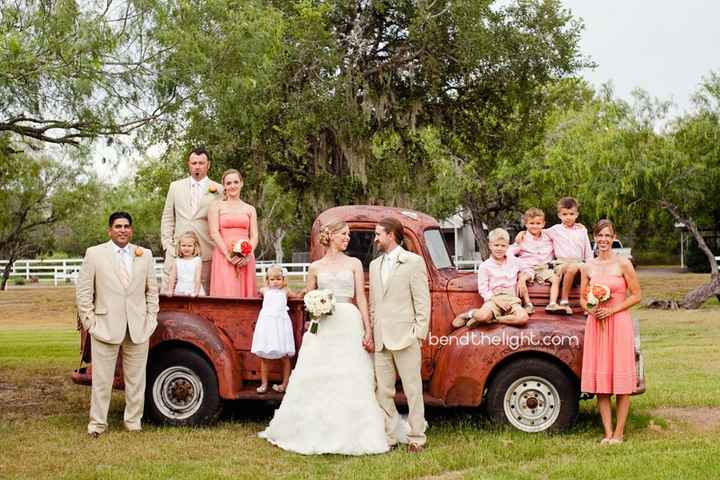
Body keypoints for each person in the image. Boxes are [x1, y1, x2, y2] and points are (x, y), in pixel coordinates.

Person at [259, 219, 390, 455]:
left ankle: (353, 430)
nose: (347, 238)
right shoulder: (316, 267)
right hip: (323, 324)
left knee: (350, 374)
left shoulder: (355, 264)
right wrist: (315, 308)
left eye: (349, 234)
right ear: (330, 237)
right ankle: (313, 427)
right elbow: (310, 296)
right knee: (319, 373)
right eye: (343, 234)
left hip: (349, 320)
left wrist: (368, 329)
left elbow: (360, 296)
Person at [75, 211, 159, 437]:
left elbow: (152, 290)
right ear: (110, 230)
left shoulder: (144, 255)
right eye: (118, 226)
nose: (123, 230)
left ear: (131, 230)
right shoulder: (94, 254)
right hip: (104, 326)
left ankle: (133, 422)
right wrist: (90, 322)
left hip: (138, 327)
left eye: (126, 226)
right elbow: (84, 292)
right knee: (102, 381)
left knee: (136, 380)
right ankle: (97, 425)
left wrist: (151, 319)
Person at [370, 217, 431, 453]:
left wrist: (419, 333)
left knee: (413, 389)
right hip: (381, 338)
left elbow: (422, 300)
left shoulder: (413, 262)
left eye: (378, 234)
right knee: (383, 390)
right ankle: (390, 435)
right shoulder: (375, 265)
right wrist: (374, 332)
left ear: (391, 235)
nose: (375, 239)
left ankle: (417, 437)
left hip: (406, 336)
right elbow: (376, 302)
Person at [580, 219, 641, 445]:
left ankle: (619, 433)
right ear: (594, 238)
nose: (604, 240)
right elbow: (582, 299)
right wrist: (592, 309)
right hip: (596, 326)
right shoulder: (588, 266)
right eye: (600, 235)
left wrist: (613, 309)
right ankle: (607, 433)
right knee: (602, 381)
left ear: (613, 237)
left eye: (608, 236)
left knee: (621, 380)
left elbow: (636, 295)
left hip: (619, 323)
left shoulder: (624, 264)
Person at [161, 147, 222, 293]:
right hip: (177, 251)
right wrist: (167, 245)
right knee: (168, 293)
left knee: (203, 295)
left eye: (201, 163)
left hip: (206, 252)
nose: (197, 166)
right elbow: (168, 217)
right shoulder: (175, 186)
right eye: (194, 163)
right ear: (188, 164)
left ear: (209, 164)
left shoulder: (219, 189)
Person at [518, 197, 593, 314]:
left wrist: (591, 266)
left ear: (577, 214)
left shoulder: (582, 230)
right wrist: (522, 232)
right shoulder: (555, 230)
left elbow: (588, 252)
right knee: (573, 267)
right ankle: (564, 301)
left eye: (571, 214)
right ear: (559, 215)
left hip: (579, 263)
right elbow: (537, 230)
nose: (568, 217)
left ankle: (585, 305)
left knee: (585, 268)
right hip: (561, 264)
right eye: (564, 214)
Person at [452, 228, 530, 329]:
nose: (499, 248)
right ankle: (469, 315)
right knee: (483, 315)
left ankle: (492, 320)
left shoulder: (514, 261)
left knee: (523, 318)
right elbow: (483, 290)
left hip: (512, 300)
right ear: (490, 246)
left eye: (503, 246)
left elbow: (529, 270)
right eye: (496, 245)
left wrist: (523, 279)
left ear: (507, 247)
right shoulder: (485, 266)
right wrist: (497, 301)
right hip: (493, 299)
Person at [208, 169, 258, 297]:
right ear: (224, 186)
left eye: (236, 182)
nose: (232, 186)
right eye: (228, 183)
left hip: (245, 258)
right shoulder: (216, 206)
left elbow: (254, 235)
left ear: (241, 183)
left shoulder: (250, 209)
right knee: (227, 293)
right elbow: (214, 232)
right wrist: (228, 255)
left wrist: (248, 254)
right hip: (224, 256)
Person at [251, 265, 299, 394]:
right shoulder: (264, 290)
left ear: (283, 279)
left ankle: (285, 383)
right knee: (264, 356)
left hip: (280, 325)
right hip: (267, 325)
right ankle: (264, 383)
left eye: (278, 279)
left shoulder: (285, 291)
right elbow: (255, 292)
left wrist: (304, 292)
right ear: (267, 280)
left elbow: (296, 296)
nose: (276, 282)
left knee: (284, 356)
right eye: (272, 279)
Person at [509, 208, 561, 314]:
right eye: (531, 223)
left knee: (556, 278)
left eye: (538, 223)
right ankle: (528, 304)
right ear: (526, 224)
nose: (535, 226)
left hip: (543, 267)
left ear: (543, 224)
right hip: (528, 267)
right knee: (522, 279)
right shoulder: (522, 239)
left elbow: (563, 230)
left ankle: (552, 303)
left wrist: (579, 227)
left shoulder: (548, 236)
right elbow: (509, 253)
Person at [163, 231, 204, 297]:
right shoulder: (177, 261)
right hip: (180, 289)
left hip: (194, 289)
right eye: (183, 245)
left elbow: (197, 278)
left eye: (189, 246)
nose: (186, 248)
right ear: (179, 246)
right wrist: (170, 290)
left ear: (195, 247)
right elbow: (172, 277)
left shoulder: (197, 260)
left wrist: (196, 292)